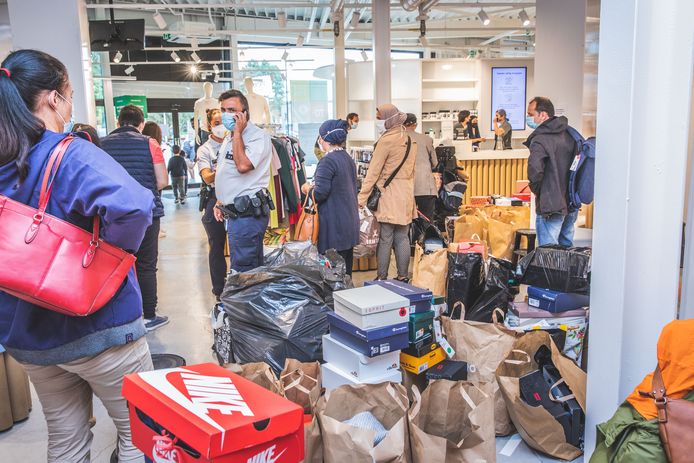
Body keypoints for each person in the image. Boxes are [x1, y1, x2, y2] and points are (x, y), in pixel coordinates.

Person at [0, 49, 155, 463]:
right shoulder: (70, 153)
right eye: (69, 96)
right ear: (53, 98)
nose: (70, 109)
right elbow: (135, 206)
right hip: (99, 327)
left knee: (65, 439)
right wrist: (116, 253)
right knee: (140, 434)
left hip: (29, 335)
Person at [101, 105, 170, 331]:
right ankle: (149, 316)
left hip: (112, 214)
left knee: (114, 264)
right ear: (141, 125)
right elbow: (162, 182)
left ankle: (120, 318)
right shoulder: (150, 143)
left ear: (119, 123)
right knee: (147, 265)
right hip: (146, 212)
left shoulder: (100, 144)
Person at [213, 89, 274, 272]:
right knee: (244, 266)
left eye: (232, 110)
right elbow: (227, 171)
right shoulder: (230, 137)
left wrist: (238, 133)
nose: (226, 115)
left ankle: (245, 300)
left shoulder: (257, 136)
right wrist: (221, 200)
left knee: (244, 269)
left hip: (247, 215)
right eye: (223, 110)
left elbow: (242, 166)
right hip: (234, 213)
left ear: (245, 113)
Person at [358, 104, 417, 282]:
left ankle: (381, 277)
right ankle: (403, 276)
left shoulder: (386, 141)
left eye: (379, 118)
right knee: (402, 237)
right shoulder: (408, 139)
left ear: (389, 119)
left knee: (385, 238)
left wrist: (362, 197)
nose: (378, 122)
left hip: (389, 194)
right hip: (406, 194)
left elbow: (373, 172)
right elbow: (412, 171)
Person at [301, 119, 359, 274]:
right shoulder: (347, 158)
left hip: (334, 225)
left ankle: (334, 298)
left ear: (324, 139)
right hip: (348, 222)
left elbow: (320, 193)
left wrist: (306, 188)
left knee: (332, 273)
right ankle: (345, 297)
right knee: (345, 270)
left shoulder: (327, 161)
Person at [524, 96, 579, 247]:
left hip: (551, 205)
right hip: (571, 201)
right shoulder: (571, 134)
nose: (528, 118)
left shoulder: (540, 139)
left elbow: (535, 170)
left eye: (530, 114)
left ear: (542, 114)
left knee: (549, 255)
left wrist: (539, 191)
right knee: (566, 250)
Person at [197, 108, 228, 300]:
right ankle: (219, 290)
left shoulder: (234, 142)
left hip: (236, 196)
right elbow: (207, 177)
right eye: (217, 123)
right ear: (209, 126)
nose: (221, 127)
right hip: (213, 196)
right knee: (216, 246)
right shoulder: (205, 149)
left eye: (223, 122)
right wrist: (227, 169)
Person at [404, 113, 437, 221]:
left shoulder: (397, 139)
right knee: (427, 221)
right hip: (425, 186)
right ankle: (425, 237)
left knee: (406, 221)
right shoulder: (427, 139)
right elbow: (435, 163)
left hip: (405, 187)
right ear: (415, 124)